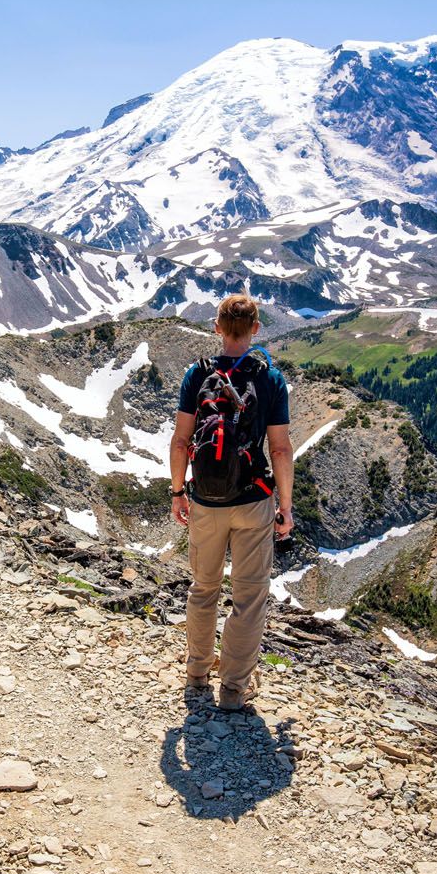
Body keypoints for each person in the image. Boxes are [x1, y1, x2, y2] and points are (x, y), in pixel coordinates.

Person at [169, 294, 293, 711]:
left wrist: (177, 491)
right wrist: (285, 507)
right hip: (253, 499)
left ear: (217, 328)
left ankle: (198, 671)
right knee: (249, 595)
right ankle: (235, 688)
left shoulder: (197, 374)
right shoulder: (270, 378)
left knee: (203, 589)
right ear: (256, 328)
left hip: (205, 499)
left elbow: (182, 440)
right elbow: (279, 450)